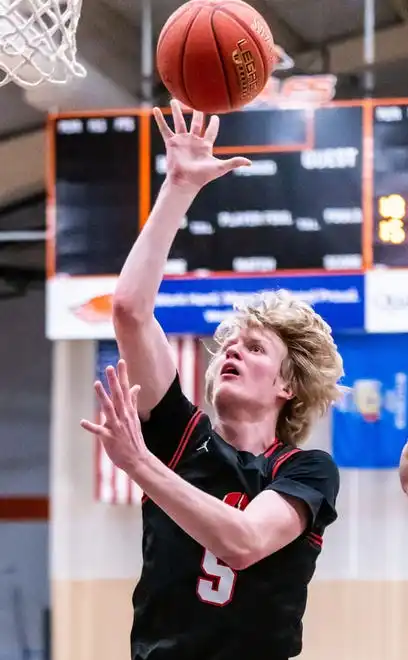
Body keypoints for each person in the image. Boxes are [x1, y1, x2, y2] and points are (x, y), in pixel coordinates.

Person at [80, 100, 344, 660]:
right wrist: (177, 185)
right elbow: (128, 308)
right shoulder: (181, 435)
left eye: (254, 348)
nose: (231, 353)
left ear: (287, 385)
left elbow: (243, 542)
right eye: (227, 346)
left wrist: (140, 465)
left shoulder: (305, 470)